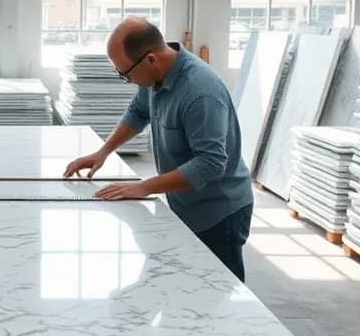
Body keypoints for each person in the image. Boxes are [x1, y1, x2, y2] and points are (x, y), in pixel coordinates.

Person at [63, 18, 255, 281]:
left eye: (125, 74)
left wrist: (144, 187)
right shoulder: (155, 78)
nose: (127, 81)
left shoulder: (200, 92)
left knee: (217, 297)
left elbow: (210, 164)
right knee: (179, 287)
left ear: (151, 59)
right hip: (186, 204)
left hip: (219, 213)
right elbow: (137, 113)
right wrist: (103, 152)